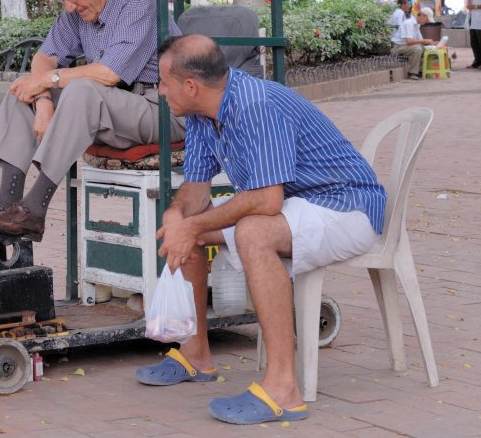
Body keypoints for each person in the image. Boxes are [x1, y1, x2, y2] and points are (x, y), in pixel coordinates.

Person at [136, 34, 386, 425]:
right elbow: (197, 188)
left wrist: (193, 223)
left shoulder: (256, 106)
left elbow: (267, 201)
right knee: (190, 228)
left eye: (164, 83)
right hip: (294, 203)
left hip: (345, 206)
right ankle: (196, 352)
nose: (160, 91)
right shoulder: (204, 110)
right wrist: (177, 215)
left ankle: (284, 388)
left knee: (253, 231)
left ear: (190, 85)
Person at [0, 0, 185, 241]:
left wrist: (49, 82)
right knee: (23, 88)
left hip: (164, 110)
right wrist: (44, 100)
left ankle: (34, 210)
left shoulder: (140, 1)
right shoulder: (79, 8)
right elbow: (44, 58)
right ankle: (8, 201)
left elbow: (108, 74)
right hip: (115, 109)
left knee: (81, 89)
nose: (70, 7)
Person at [390, 6, 436, 80]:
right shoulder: (409, 23)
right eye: (426, 20)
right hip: (397, 47)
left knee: (425, 49)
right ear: (422, 16)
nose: (426, 22)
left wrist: (431, 43)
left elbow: (420, 40)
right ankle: (412, 73)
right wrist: (424, 41)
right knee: (417, 49)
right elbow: (409, 41)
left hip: (405, 46)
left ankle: (420, 70)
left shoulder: (417, 25)